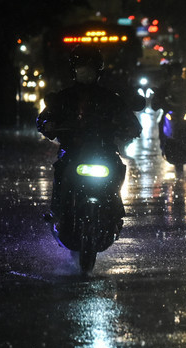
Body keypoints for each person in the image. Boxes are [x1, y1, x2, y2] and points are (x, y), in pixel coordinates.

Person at [36, 45, 141, 222]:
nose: (85, 72)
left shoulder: (110, 98)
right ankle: (58, 212)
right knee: (61, 171)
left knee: (118, 168)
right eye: (81, 67)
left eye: (90, 68)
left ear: (98, 71)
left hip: (104, 150)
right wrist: (48, 124)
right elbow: (44, 118)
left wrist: (130, 127)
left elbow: (129, 118)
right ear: (74, 70)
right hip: (72, 150)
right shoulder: (64, 97)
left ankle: (114, 211)